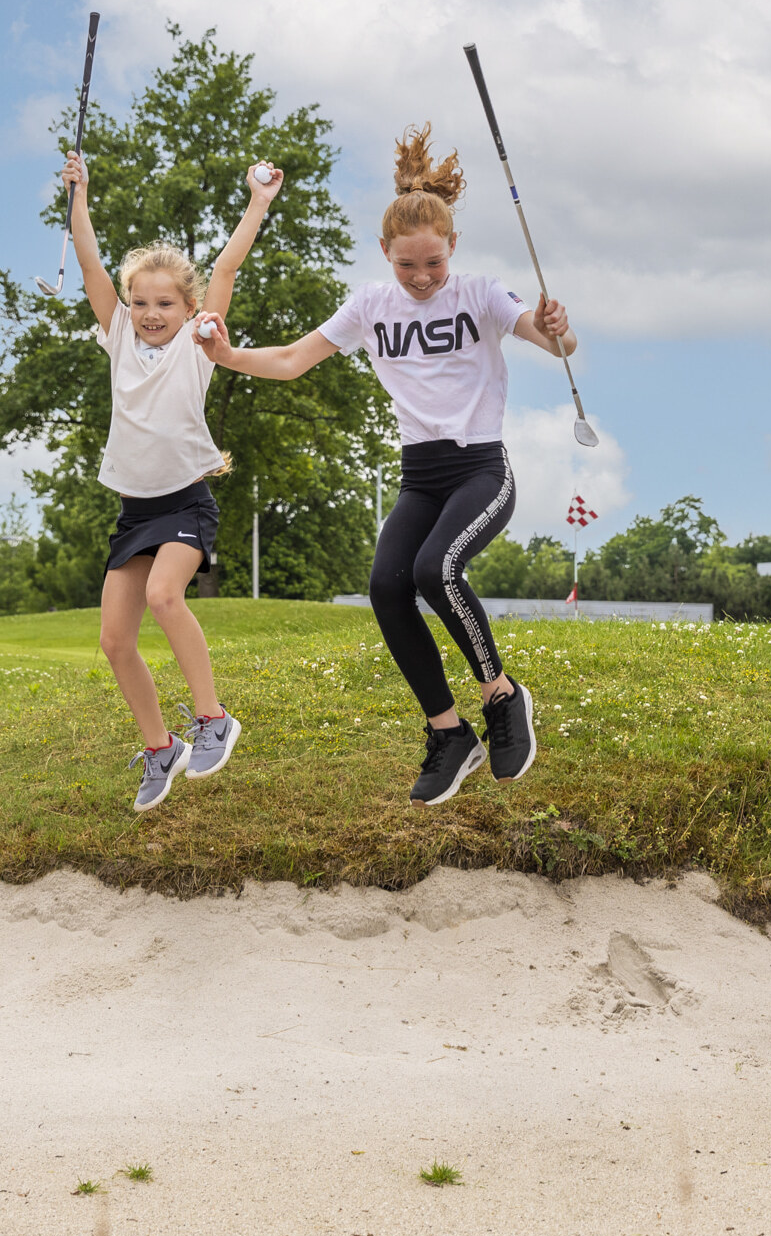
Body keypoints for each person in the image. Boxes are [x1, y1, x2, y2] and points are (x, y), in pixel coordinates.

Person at [196, 125, 574, 806]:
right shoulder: (371, 305)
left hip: (480, 469)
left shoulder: (482, 293)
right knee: (385, 586)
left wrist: (557, 327)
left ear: (451, 248)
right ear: (385, 255)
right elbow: (292, 359)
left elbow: (550, 339)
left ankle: (502, 695)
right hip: (420, 476)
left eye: (433, 263)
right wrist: (228, 357)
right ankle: (449, 732)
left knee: (437, 570)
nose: (423, 277)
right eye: (408, 266)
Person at [64, 150, 283, 812]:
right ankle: (161, 748)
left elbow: (225, 267)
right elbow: (90, 264)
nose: (151, 312)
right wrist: (79, 195)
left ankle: (214, 719)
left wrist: (257, 202)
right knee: (112, 639)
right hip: (134, 513)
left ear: (187, 307)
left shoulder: (198, 341)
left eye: (164, 303)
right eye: (140, 302)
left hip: (187, 502)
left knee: (166, 595)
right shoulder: (119, 336)